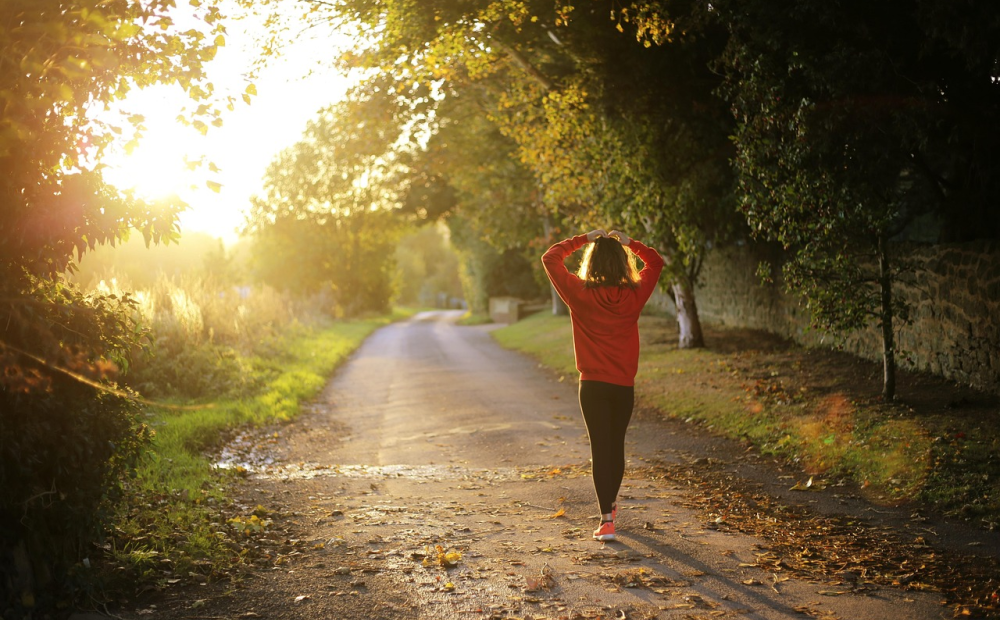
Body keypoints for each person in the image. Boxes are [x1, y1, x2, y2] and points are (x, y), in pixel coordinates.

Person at [541, 228, 664, 542]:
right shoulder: (635, 294)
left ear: (591, 263)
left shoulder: (579, 293)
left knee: (600, 448)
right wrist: (630, 243)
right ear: (623, 263)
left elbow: (550, 258)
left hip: (592, 385)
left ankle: (606, 520)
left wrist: (583, 239)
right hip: (623, 385)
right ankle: (609, 507)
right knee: (616, 447)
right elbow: (656, 262)